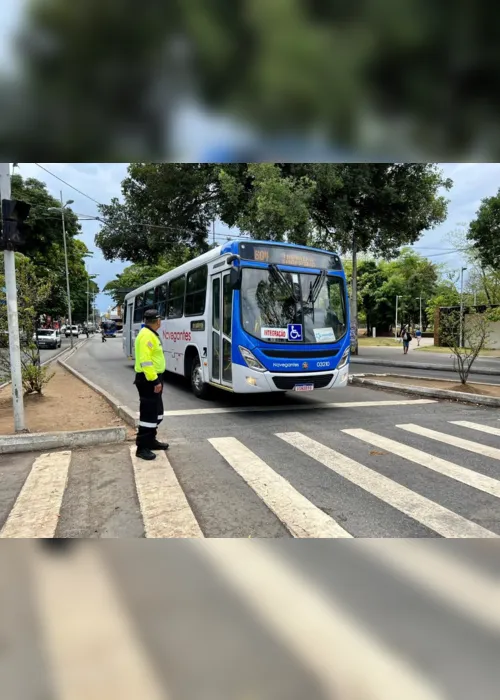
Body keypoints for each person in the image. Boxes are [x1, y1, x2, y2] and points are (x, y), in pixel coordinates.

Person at [134, 308, 169, 460]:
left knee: (156, 413)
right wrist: (154, 380)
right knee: (148, 414)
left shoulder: (150, 334)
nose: (161, 322)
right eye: (160, 319)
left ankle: (151, 440)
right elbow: (145, 361)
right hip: (148, 380)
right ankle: (142, 447)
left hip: (154, 378)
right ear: (157, 321)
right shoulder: (146, 336)